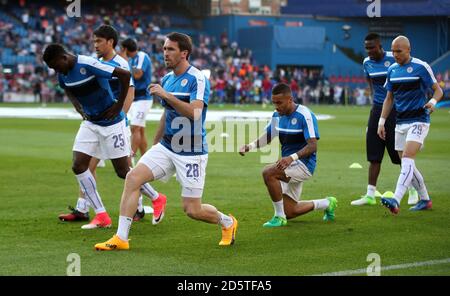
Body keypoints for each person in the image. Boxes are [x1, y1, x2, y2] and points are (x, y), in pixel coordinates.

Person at [95, 32, 238, 251]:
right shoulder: (168, 79)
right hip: (167, 146)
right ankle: (121, 238)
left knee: (192, 210)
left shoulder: (197, 78)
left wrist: (167, 95)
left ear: (184, 53)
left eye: (170, 49)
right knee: (133, 178)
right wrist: (154, 144)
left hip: (191, 152)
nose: (165, 53)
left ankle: (227, 222)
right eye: (163, 49)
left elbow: (196, 114)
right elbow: (166, 115)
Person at [43, 43, 167, 230]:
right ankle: (101, 215)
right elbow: (67, 88)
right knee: (79, 165)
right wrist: (78, 107)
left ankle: (157, 198)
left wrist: (118, 108)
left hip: (112, 123)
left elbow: (125, 75)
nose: (56, 71)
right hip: (91, 123)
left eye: (56, 66)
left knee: (123, 171)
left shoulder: (88, 64)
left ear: (64, 58)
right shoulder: (63, 74)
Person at [239, 83, 337, 227]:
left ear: (290, 100)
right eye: (274, 102)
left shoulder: (305, 115)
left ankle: (279, 217)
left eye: (279, 103)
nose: (276, 106)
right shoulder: (276, 115)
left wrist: (291, 158)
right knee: (290, 211)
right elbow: (268, 135)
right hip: (288, 164)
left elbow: (312, 146)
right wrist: (250, 146)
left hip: (304, 164)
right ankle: (327, 203)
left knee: (268, 173)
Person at [378, 35, 443, 214]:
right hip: (400, 122)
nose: (395, 54)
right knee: (407, 163)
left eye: (399, 51)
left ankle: (396, 199)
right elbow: (389, 97)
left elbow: (438, 90)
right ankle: (425, 199)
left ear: (408, 50)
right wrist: (381, 121)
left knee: (407, 158)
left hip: (419, 120)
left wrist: (433, 102)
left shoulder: (421, 67)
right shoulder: (391, 70)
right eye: (393, 51)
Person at [352, 33, 418, 206]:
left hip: (396, 111)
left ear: (380, 45)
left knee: (399, 155)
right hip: (377, 110)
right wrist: (376, 100)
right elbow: (370, 81)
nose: (369, 51)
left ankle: (412, 191)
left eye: (372, 47)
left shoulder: (394, 58)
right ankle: (370, 195)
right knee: (374, 154)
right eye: (366, 48)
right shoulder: (367, 62)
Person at [120, 38, 153, 164]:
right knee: (140, 130)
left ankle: (130, 158)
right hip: (136, 98)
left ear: (125, 49)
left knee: (134, 128)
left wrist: (125, 62)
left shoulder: (141, 56)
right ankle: (146, 160)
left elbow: (138, 74)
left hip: (143, 98)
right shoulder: (133, 59)